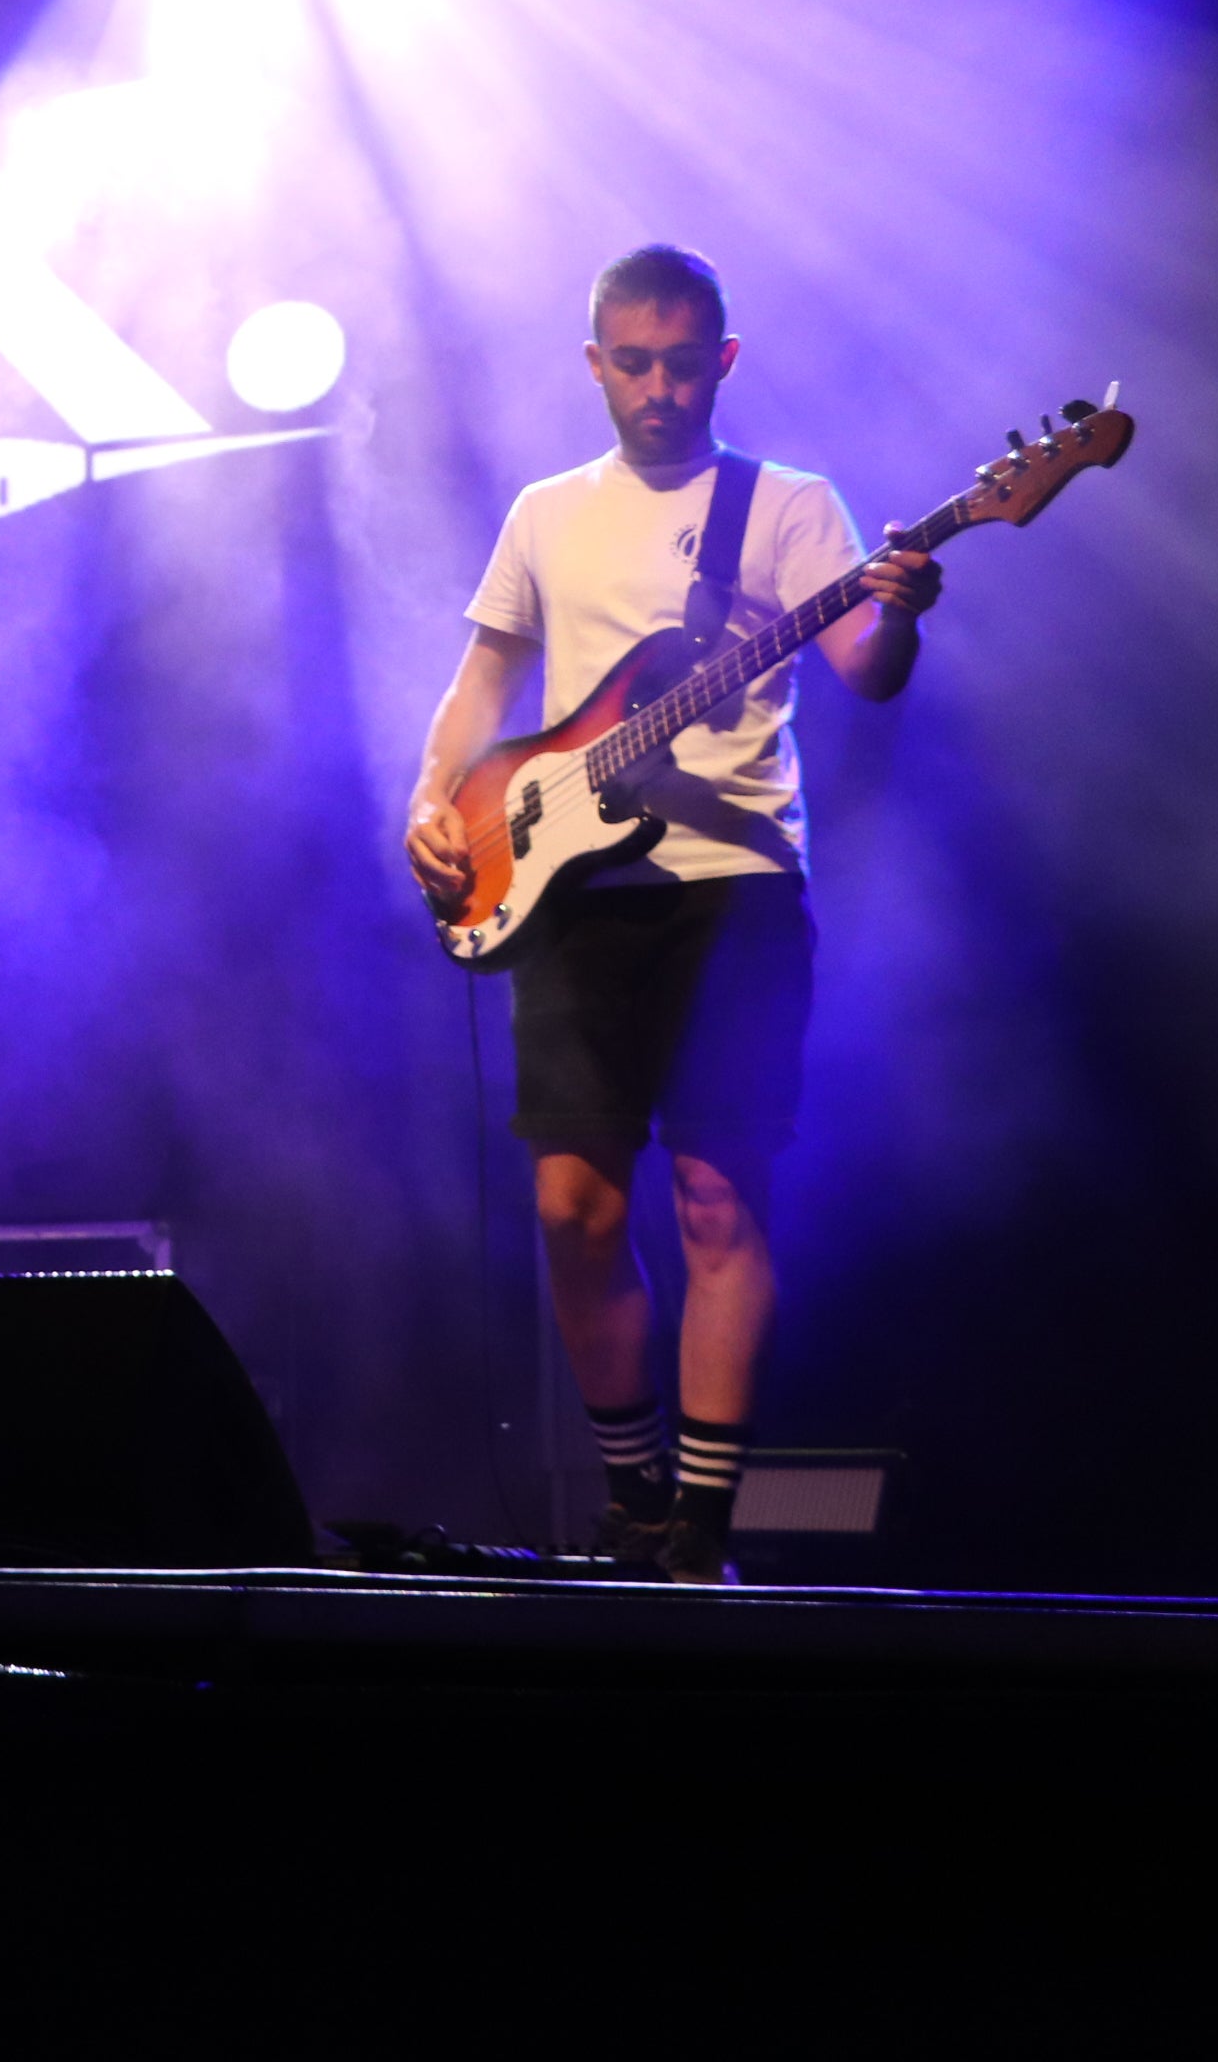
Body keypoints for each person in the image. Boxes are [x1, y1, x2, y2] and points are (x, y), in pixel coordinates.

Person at [402, 246, 937, 1584]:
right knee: (576, 1211)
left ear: (724, 360)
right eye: (632, 363)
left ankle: (700, 1526)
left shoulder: (790, 506)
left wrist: (904, 613)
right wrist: (429, 797)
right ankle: (631, 1497)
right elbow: (488, 675)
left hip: (737, 891)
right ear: (595, 364)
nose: (658, 388)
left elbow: (862, 672)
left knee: (713, 1197)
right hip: (573, 892)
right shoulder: (545, 512)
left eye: (683, 363)